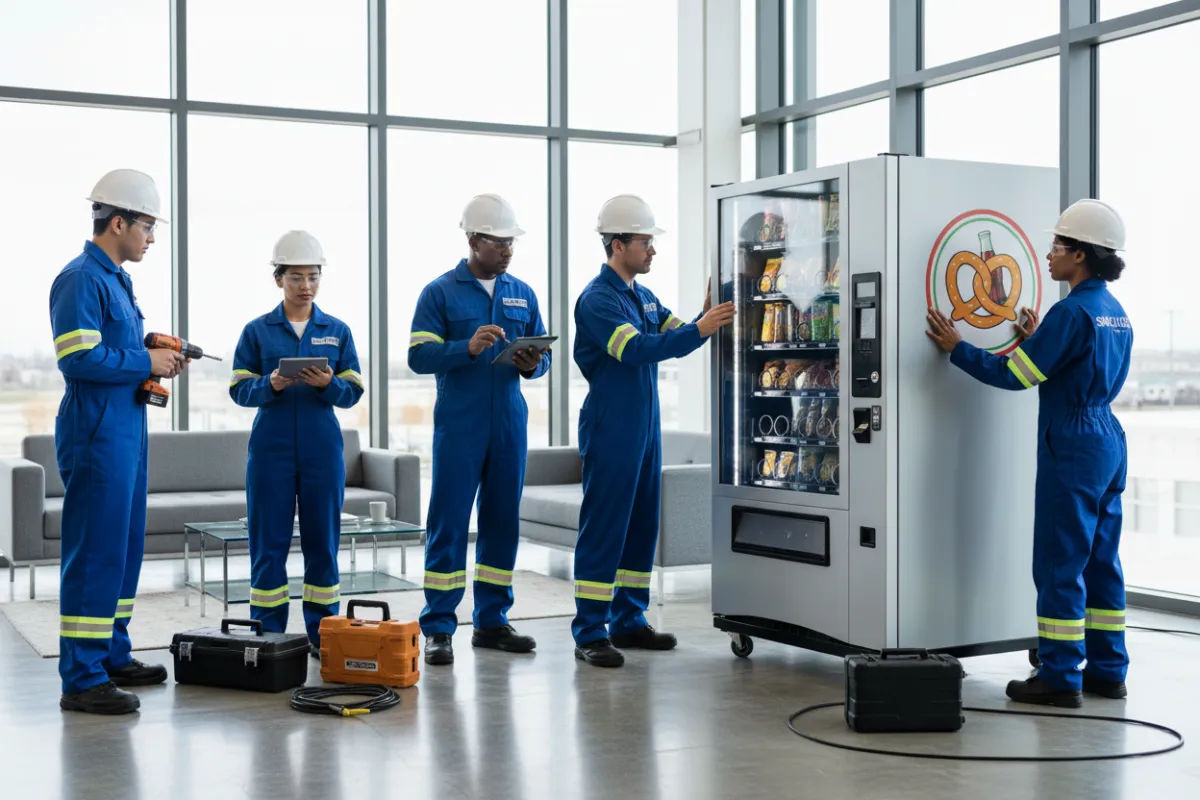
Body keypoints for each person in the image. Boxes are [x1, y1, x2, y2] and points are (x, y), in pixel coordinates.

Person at [926, 199, 1132, 708]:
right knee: (1101, 560)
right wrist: (1037, 340)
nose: (1048, 253)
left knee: (1062, 562)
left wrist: (959, 347)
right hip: (1107, 438)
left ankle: (1060, 677)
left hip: (1074, 445)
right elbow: (1076, 365)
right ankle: (1108, 671)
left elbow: (1015, 376)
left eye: (1058, 245)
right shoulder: (1113, 313)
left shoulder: (1071, 312)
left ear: (1080, 255)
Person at [571, 194, 735, 668]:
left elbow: (678, 334)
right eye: (646, 242)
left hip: (645, 425)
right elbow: (638, 349)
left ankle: (628, 620)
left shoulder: (642, 296)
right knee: (605, 528)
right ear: (618, 244)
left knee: (642, 526)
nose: (653, 251)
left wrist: (704, 318)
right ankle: (589, 630)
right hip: (612, 426)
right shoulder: (598, 300)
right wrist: (699, 329)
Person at [52, 169, 183, 714]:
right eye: (148, 227)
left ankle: (110, 653)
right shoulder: (81, 279)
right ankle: (82, 678)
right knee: (95, 553)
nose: (152, 238)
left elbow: (114, 349)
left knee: (126, 549)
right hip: (97, 431)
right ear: (120, 221)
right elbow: (78, 358)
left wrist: (148, 348)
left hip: (127, 429)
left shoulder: (118, 280)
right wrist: (143, 360)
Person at [408, 194, 551, 666]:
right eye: (499, 242)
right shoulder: (439, 293)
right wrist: (465, 348)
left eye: (512, 242)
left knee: (501, 521)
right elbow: (418, 356)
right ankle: (439, 628)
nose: (508, 250)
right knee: (448, 522)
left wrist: (534, 362)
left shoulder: (522, 293)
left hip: (509, 421)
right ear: (473, 241)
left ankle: (491, 621)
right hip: (460, 424)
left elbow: (543, 359)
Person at [229, 231, 364, 654]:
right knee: (267, 544)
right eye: (296, 278)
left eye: (313, 277)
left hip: (322, 447)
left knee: (322, 544)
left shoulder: (337, 331)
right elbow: (238, 388)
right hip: (270, 449)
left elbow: (354, 389)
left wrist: (328, 384)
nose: (305, 286)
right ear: (278, 280)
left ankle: (324, 635)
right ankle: (268, 637)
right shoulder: (257, 332)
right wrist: (269, 383)